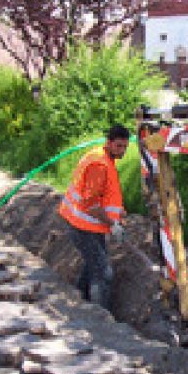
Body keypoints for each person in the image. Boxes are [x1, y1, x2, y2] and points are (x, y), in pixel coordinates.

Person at [58, 124, 129, 310]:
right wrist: (113, 224)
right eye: (119, 146)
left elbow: (103, 195)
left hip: (90, 225)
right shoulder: (99, 164)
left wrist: (118, 212)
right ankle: (100, 316)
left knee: (93, 265)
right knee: (103, 273)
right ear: (109, 142)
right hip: (83, 227)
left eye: (125, 147)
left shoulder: (103, 157)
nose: (122, 151)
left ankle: (80, 300)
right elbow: (91, 204)